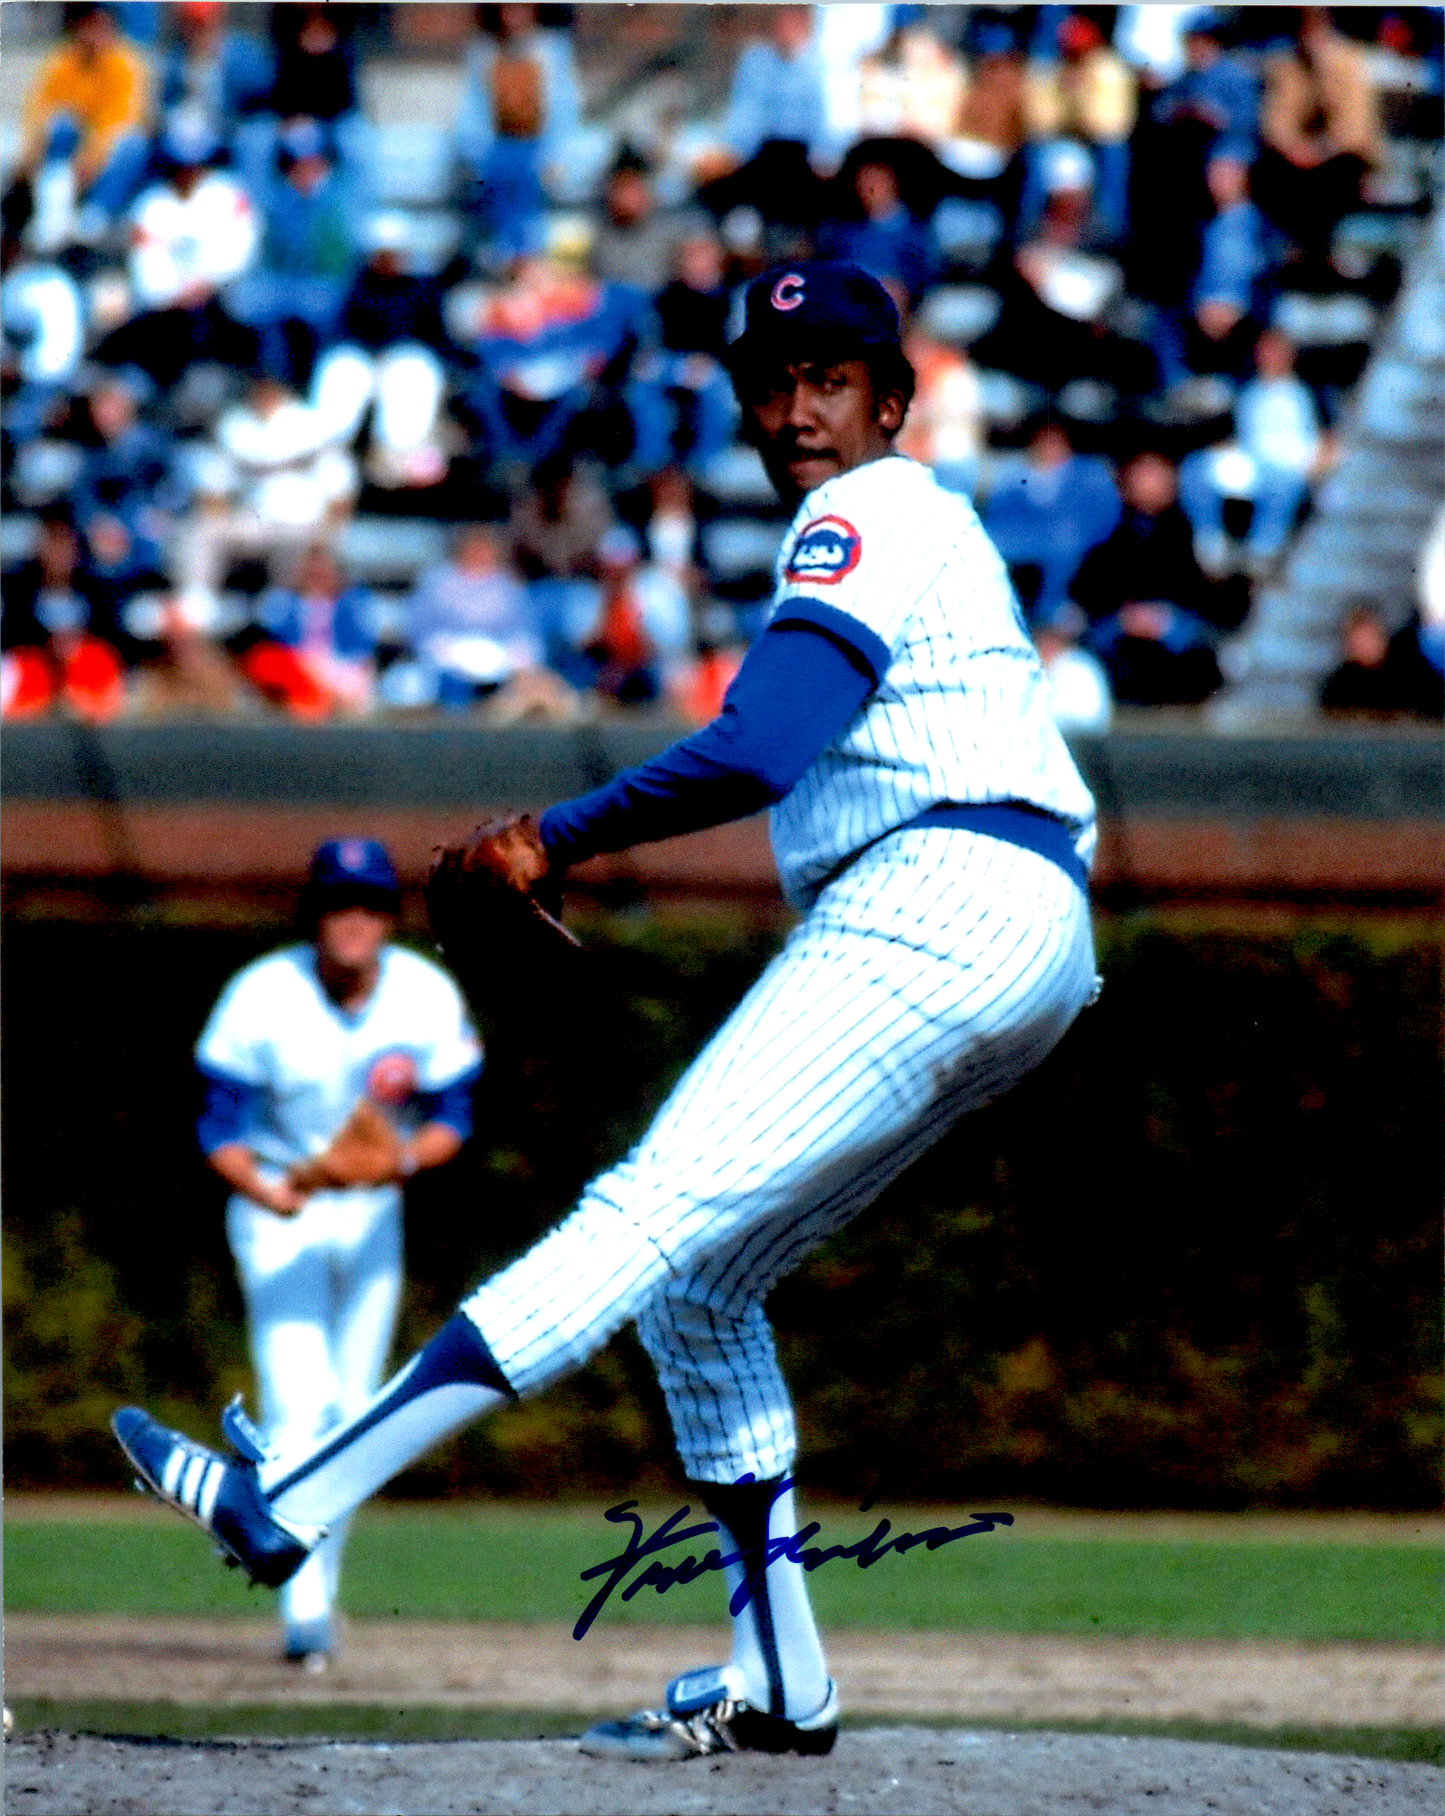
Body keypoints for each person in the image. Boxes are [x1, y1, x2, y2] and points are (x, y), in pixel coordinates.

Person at [113, 260, 1099, 1762]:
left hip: (940, 894)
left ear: (892, 404)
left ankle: (292, 1498)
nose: (796, 410)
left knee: (636, 1213)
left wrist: (555, 836)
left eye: (830, 380)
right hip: (1019, 933)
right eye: (771, 385)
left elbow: (760, 747)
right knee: (700, 1294)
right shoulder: (913, 528)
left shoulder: (867, 512)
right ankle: (782, 1679)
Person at [191, 839, 482, 1668]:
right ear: (314, 917)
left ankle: (313, 1579)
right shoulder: (262, 995)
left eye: (369, 905)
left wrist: (399, 1160)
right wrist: (267, 1192)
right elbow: (216, 1128)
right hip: (280, 1207)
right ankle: (303, 1607)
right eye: (337, 904)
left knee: (355, 1411)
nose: (353, 920)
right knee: (298, 1403)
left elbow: (452, 1117)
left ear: (388, 918)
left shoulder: (422, 994)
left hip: (371, 1213)